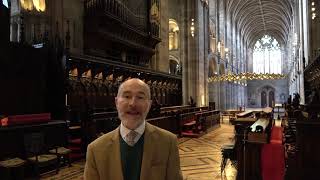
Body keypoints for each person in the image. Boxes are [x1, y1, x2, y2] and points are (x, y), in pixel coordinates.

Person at [84, 78, 183, 180]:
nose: (133, 104)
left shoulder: (168, 142)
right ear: (117, 102)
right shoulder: (95, 149)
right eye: (127, 96)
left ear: (149, 105)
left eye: (140, 97)